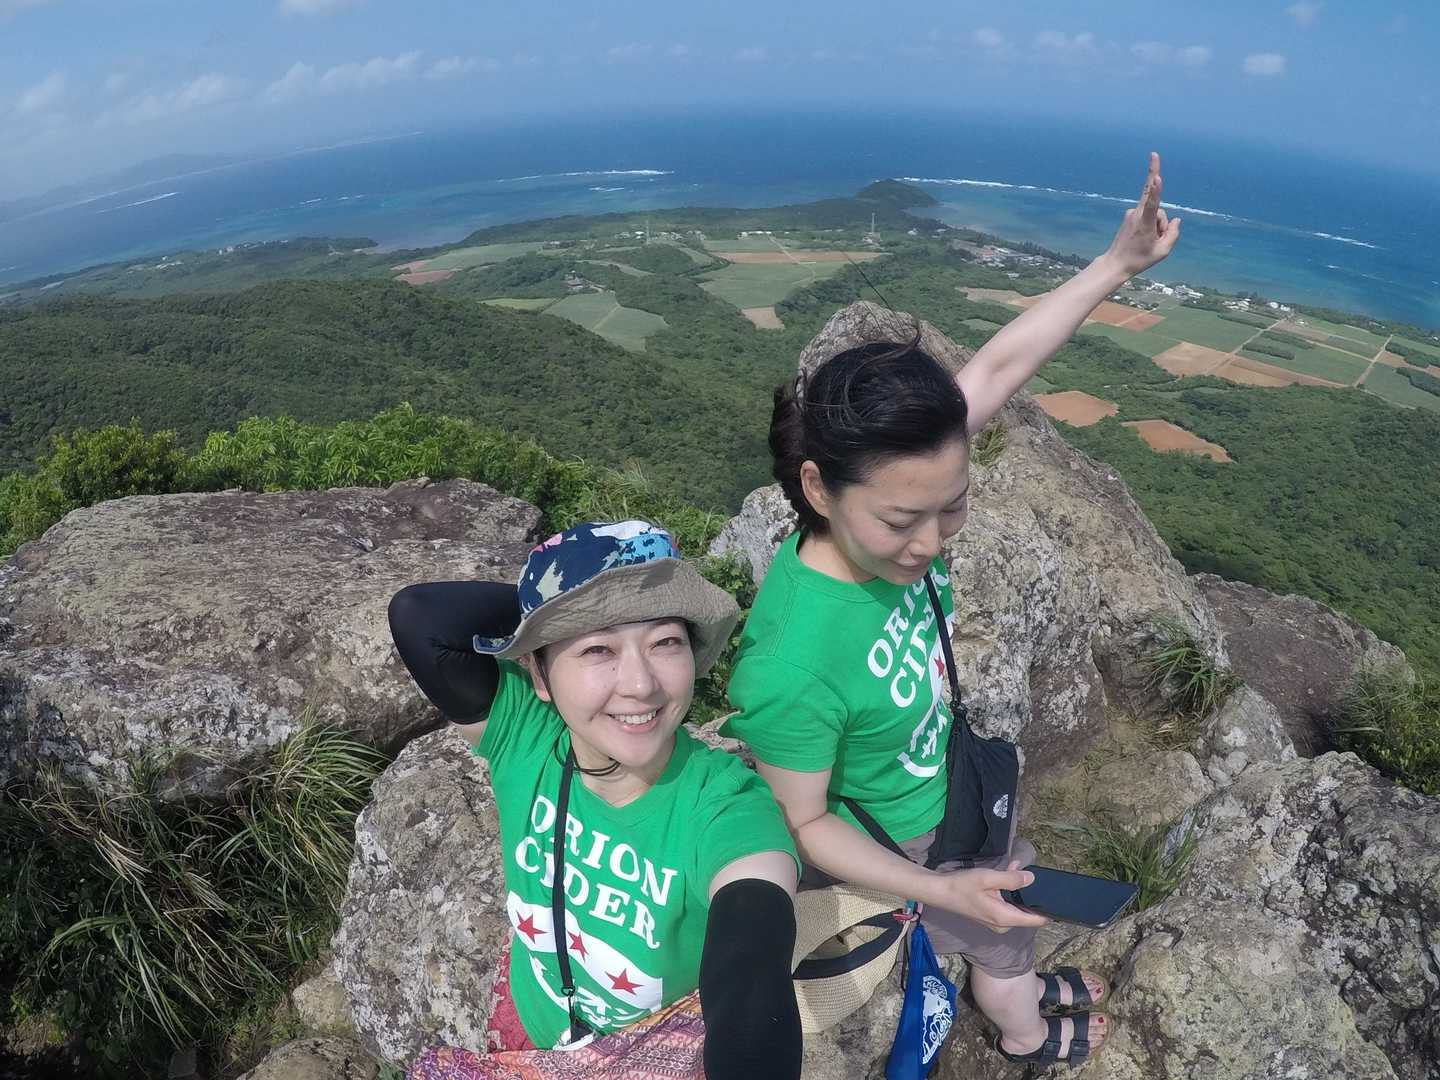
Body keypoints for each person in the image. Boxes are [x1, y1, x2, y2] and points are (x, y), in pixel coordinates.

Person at [723, 154, 1181, 1070]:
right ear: (816, 487)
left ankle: (1011, 974)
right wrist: (938, 889)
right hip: (908, 843)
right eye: (902, 521)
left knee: (1007, 896)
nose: (931, 542)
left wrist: (1116, 264)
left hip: (950, 785)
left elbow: (1002, 363)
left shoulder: (904, 463)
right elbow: (804, 826)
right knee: (1002, 935)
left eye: (954, 505)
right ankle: (1025, 1031)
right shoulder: (791, 663)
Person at [388, 520, 802, 1080]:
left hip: (647, 1049)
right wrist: (549, 610)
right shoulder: (525, 736)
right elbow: (418, 615)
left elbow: (752, 960)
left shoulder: (724, 804)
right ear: (539, 677)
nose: (640, 684)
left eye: (665, 642)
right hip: (532, 1020)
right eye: (597, 648)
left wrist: (582, 611)